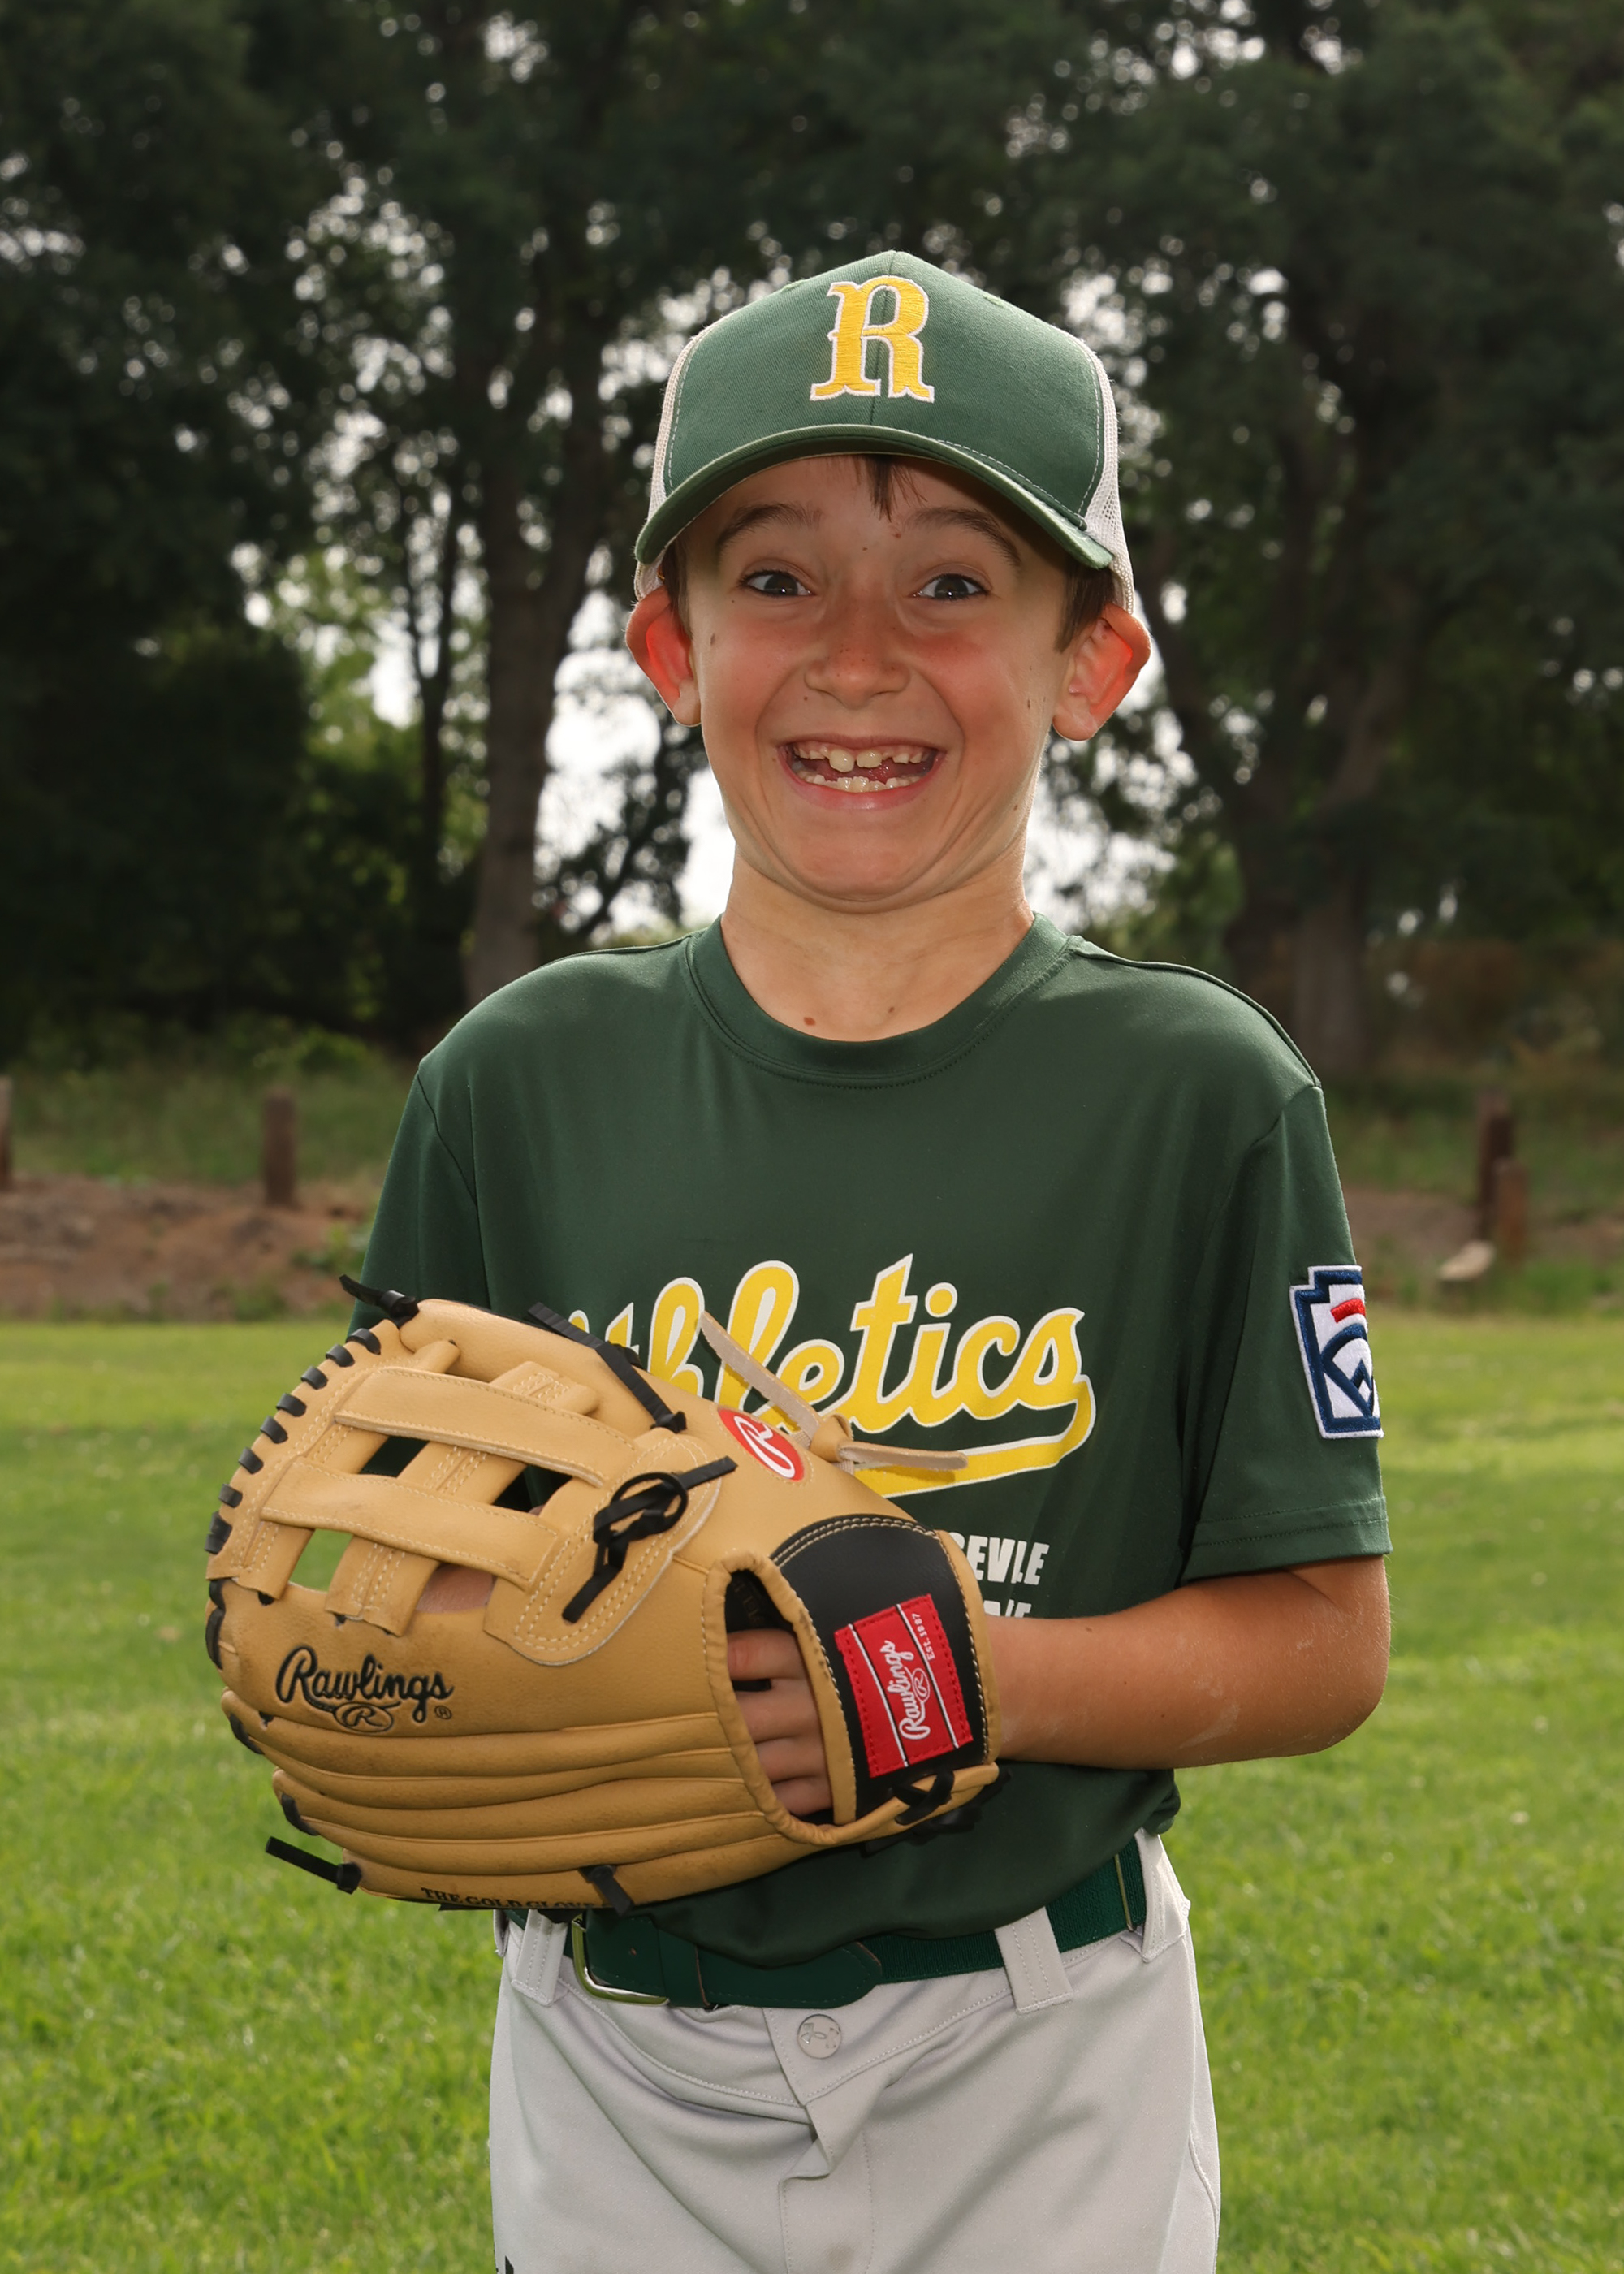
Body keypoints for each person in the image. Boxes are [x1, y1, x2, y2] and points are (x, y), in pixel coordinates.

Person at [357, 250, 1390, 2274]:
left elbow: (1319, 1642)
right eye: (776, 576)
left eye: (948, 582)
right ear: (671, 644)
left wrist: (949, 1676)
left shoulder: (1200, 1092)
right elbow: (408, 1569)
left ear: (1090, 659)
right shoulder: (515, 1083)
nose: (854, 655)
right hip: (613, 2042)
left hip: (1042, 2039)